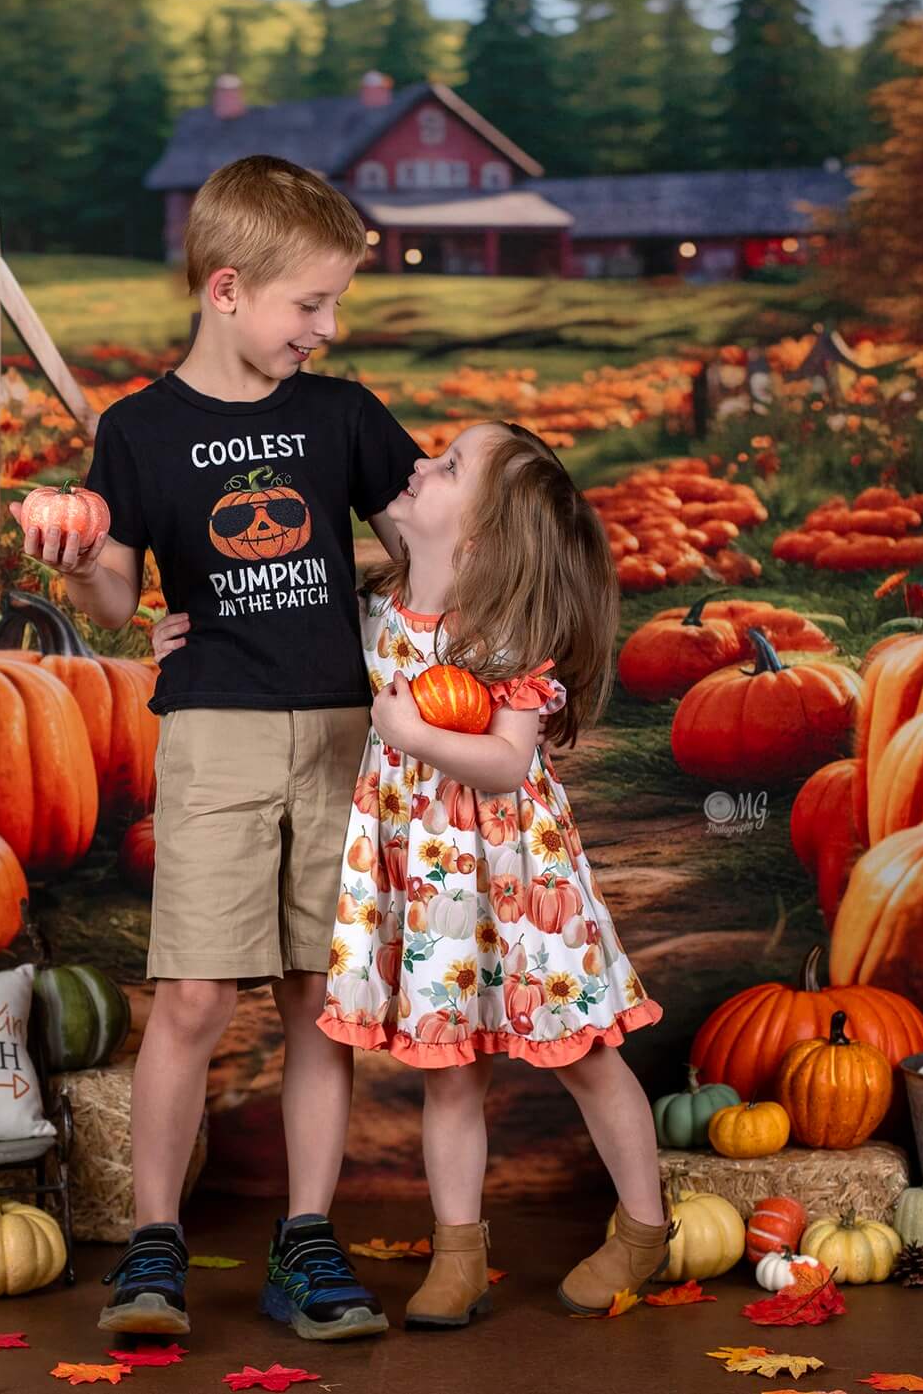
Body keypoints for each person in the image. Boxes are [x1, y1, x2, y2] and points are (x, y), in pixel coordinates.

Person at [22, 154, 422, 1342]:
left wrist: (457, 624)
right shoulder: (138, 430)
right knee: (193, 993)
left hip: (343, 733)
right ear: (229, 290)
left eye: (335, 304)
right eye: (312, 303)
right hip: (213, 728)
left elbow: (428, 535)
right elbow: (108, 591)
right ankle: (154, 1242)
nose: (327, 327)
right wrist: (80, 548)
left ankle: (306, 1236)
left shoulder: (341, 415)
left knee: (314, 995)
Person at [314, 419, 667, 1327]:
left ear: (478, 538)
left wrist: (421, 738)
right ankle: (459, 1250)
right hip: (432, 886)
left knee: (586, 1050)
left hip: (518, 881)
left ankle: (644, 1227)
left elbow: (510, 761)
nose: (420, 465)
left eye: (448, 466)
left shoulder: (505, 631)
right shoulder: (379, 608)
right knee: (449, 1073)